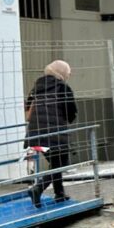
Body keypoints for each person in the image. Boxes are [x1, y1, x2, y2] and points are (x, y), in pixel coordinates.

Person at [25, 60, 77, 208]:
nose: (69, 75)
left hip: (35, 136)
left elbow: (27, 108)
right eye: (68, 72)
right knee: (61, 162)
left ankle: (59, 194)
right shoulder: (62, 88)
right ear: (62, 72)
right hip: (54, 135)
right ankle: (38, 189)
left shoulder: (37, 87)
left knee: (56, 162)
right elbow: (70, 112)